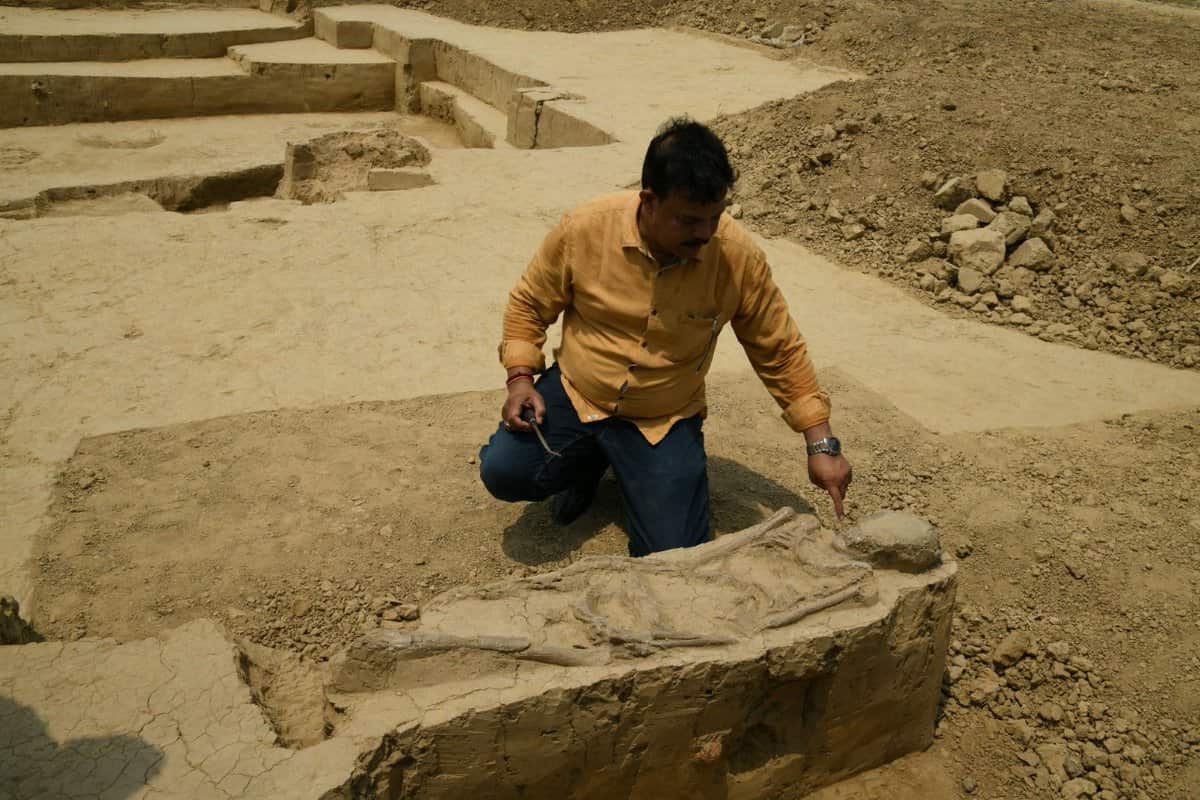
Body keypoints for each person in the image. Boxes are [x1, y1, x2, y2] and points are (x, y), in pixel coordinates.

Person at [478, 117, 852, 557]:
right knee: (505, 471)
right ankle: (589, 463)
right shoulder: (583, 229)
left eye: (715, 216)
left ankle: (631, 464)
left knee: (673, 554)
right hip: (579, 393)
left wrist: (821, 443)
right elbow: (528, 304)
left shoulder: (736, 258)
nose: (706, 233)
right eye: (690, 220)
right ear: (649, 201)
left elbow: (779, 348)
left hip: (662, 417)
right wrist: (520, 379)